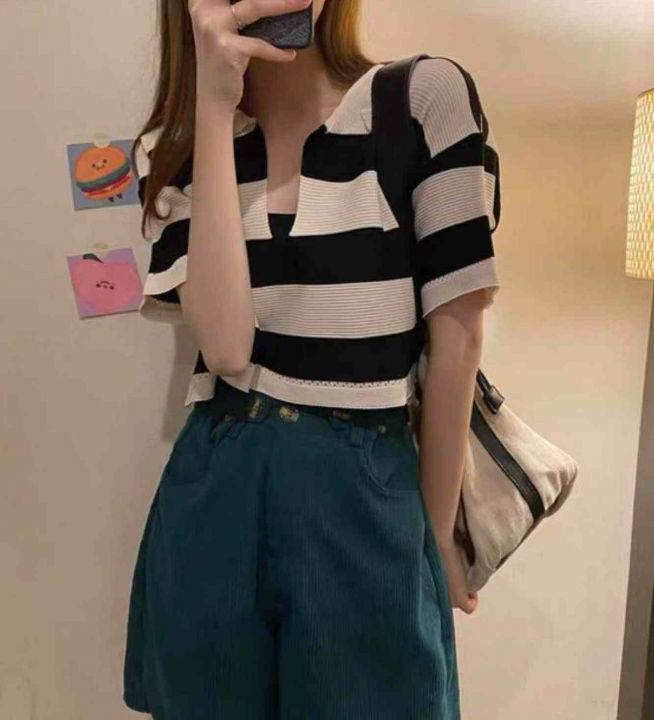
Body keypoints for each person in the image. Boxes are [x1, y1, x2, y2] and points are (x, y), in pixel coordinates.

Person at [123, 0, 501, 718]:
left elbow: (458, 336)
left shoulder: (420, 100)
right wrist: (211, 111)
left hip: (365, 480)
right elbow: (226, 346)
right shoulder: (175, 148)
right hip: (217, 481)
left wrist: (430, 537)